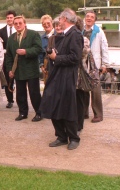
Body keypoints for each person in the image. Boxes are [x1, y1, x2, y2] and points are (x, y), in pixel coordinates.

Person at [40, 9, 83, 150]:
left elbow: (75, 58)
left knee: (68, 107)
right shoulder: (63, 34)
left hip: (67, 76)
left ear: (65, 18)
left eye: (60, 19)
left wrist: (56, 58)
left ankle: (73, 138)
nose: (59, 22)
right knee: (52, 102)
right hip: (56, 73)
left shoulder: (75, 34)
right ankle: (61, 136)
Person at [6, 15, 43, 122]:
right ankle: (23, 113)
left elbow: (38, 49)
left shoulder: (33, 34)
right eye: (16, 23)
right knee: (20, 94)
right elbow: (8, 55)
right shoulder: (11, 38)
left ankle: (39, 113)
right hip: (18, 70)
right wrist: (10, 69)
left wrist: (26, 52)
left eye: (20, 23)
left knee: (34, 93)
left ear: (25, 23)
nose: (18, 25)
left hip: (31, 69)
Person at [82, 10, 109, 123]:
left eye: (91, 17)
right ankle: (83, 113)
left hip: (95, 64)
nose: (89, 18)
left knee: (95, 90)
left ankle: (98, 114)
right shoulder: (80, 30)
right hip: (82, 63)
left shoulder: (99, 31)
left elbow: (104, 47)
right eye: (87, 16)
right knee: (82, 88)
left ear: (94, 20)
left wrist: (104, 64)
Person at [75, 15, 91, 135]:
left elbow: (80, 54)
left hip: (79, 75)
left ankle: (79, 126)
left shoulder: (83, 39)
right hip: (71, 75)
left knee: (79, 100)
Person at [0, 10, 16, 109]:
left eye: (11, 17)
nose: (9, 19)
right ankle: (10, 100)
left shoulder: (19, 29)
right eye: (8, 18)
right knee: (8, 80)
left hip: (18, 58)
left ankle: (21, 99)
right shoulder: (1, 31)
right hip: (6, 59)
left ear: (14, 18)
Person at [39, 15, 54, 82]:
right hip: (46, 63)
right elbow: (40, 53)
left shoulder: (58, 34)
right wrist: (41, 65)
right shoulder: (41, 38)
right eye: (44, 24)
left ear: (52, 23)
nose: (46, 25)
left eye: (48, 23)